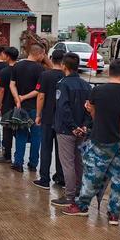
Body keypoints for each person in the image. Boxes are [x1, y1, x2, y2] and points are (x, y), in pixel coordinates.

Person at [63, 59, 120, 225]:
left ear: (108, 72)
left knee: (93, 175)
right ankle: (114, 214)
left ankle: (82, 206)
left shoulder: (98, 91)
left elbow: (91, 110)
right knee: (119, 178)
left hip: (101, 138)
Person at [52, 52, 92, 207]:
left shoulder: (62, 84)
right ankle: (79, 192)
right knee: (78, 162)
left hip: (66, 130)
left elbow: (63, 108)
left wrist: (73, 127)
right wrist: (84, 125)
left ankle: (69, 196)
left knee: (67, 163)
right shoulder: (86, 85)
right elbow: (90, 108)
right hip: (81, 130)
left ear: (64, 66)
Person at [10, 44, 48, 172]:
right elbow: (39, 90)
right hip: (35, 108)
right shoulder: (41, 69)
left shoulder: (17, 66)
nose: (43, 57)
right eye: (43, 55)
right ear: (39, 54)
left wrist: (18, 99)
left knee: (21, 134)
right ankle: (33, 164)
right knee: (36, 136)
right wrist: (24, 97)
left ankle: (18, 163)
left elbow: (12, 85)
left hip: (20, 108)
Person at [33, 49, 65, 189]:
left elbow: (41, 96)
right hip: (62, 119)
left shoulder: (45, 75)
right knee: (61, 150)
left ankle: (44, 179)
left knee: (46, 148)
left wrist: (38, 115)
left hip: (47, 117)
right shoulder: (66, 76)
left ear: (51, 58)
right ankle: (61, 177)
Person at [0, 46, 19, 164]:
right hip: (20, 105)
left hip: (7, 105)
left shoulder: (4, 71)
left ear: (8, 57)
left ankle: (7, 155)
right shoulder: (20, 69)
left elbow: (2, 90)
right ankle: (18, 158)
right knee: (19, 132)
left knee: (7, 131)